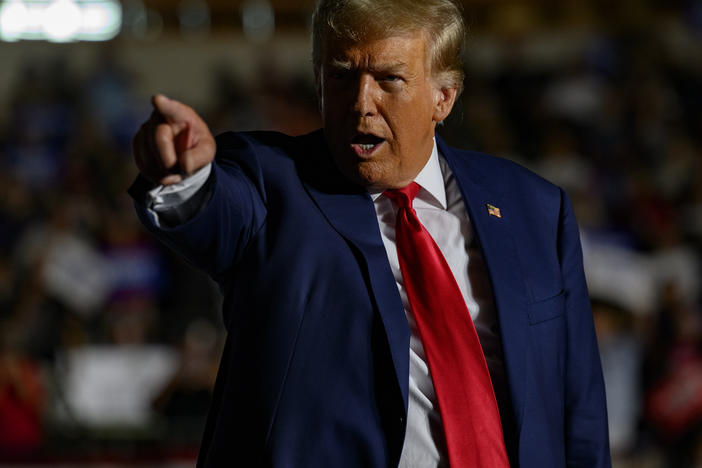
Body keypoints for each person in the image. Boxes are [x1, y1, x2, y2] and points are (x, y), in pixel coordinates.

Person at [129, 0, 611, 466]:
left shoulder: (534, 208)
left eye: (389, 80)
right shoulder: (269, 181)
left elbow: (578, 403)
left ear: (443, 97)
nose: (362, 103)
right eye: (341, 76)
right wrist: (184, 178)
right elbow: (216, 213)